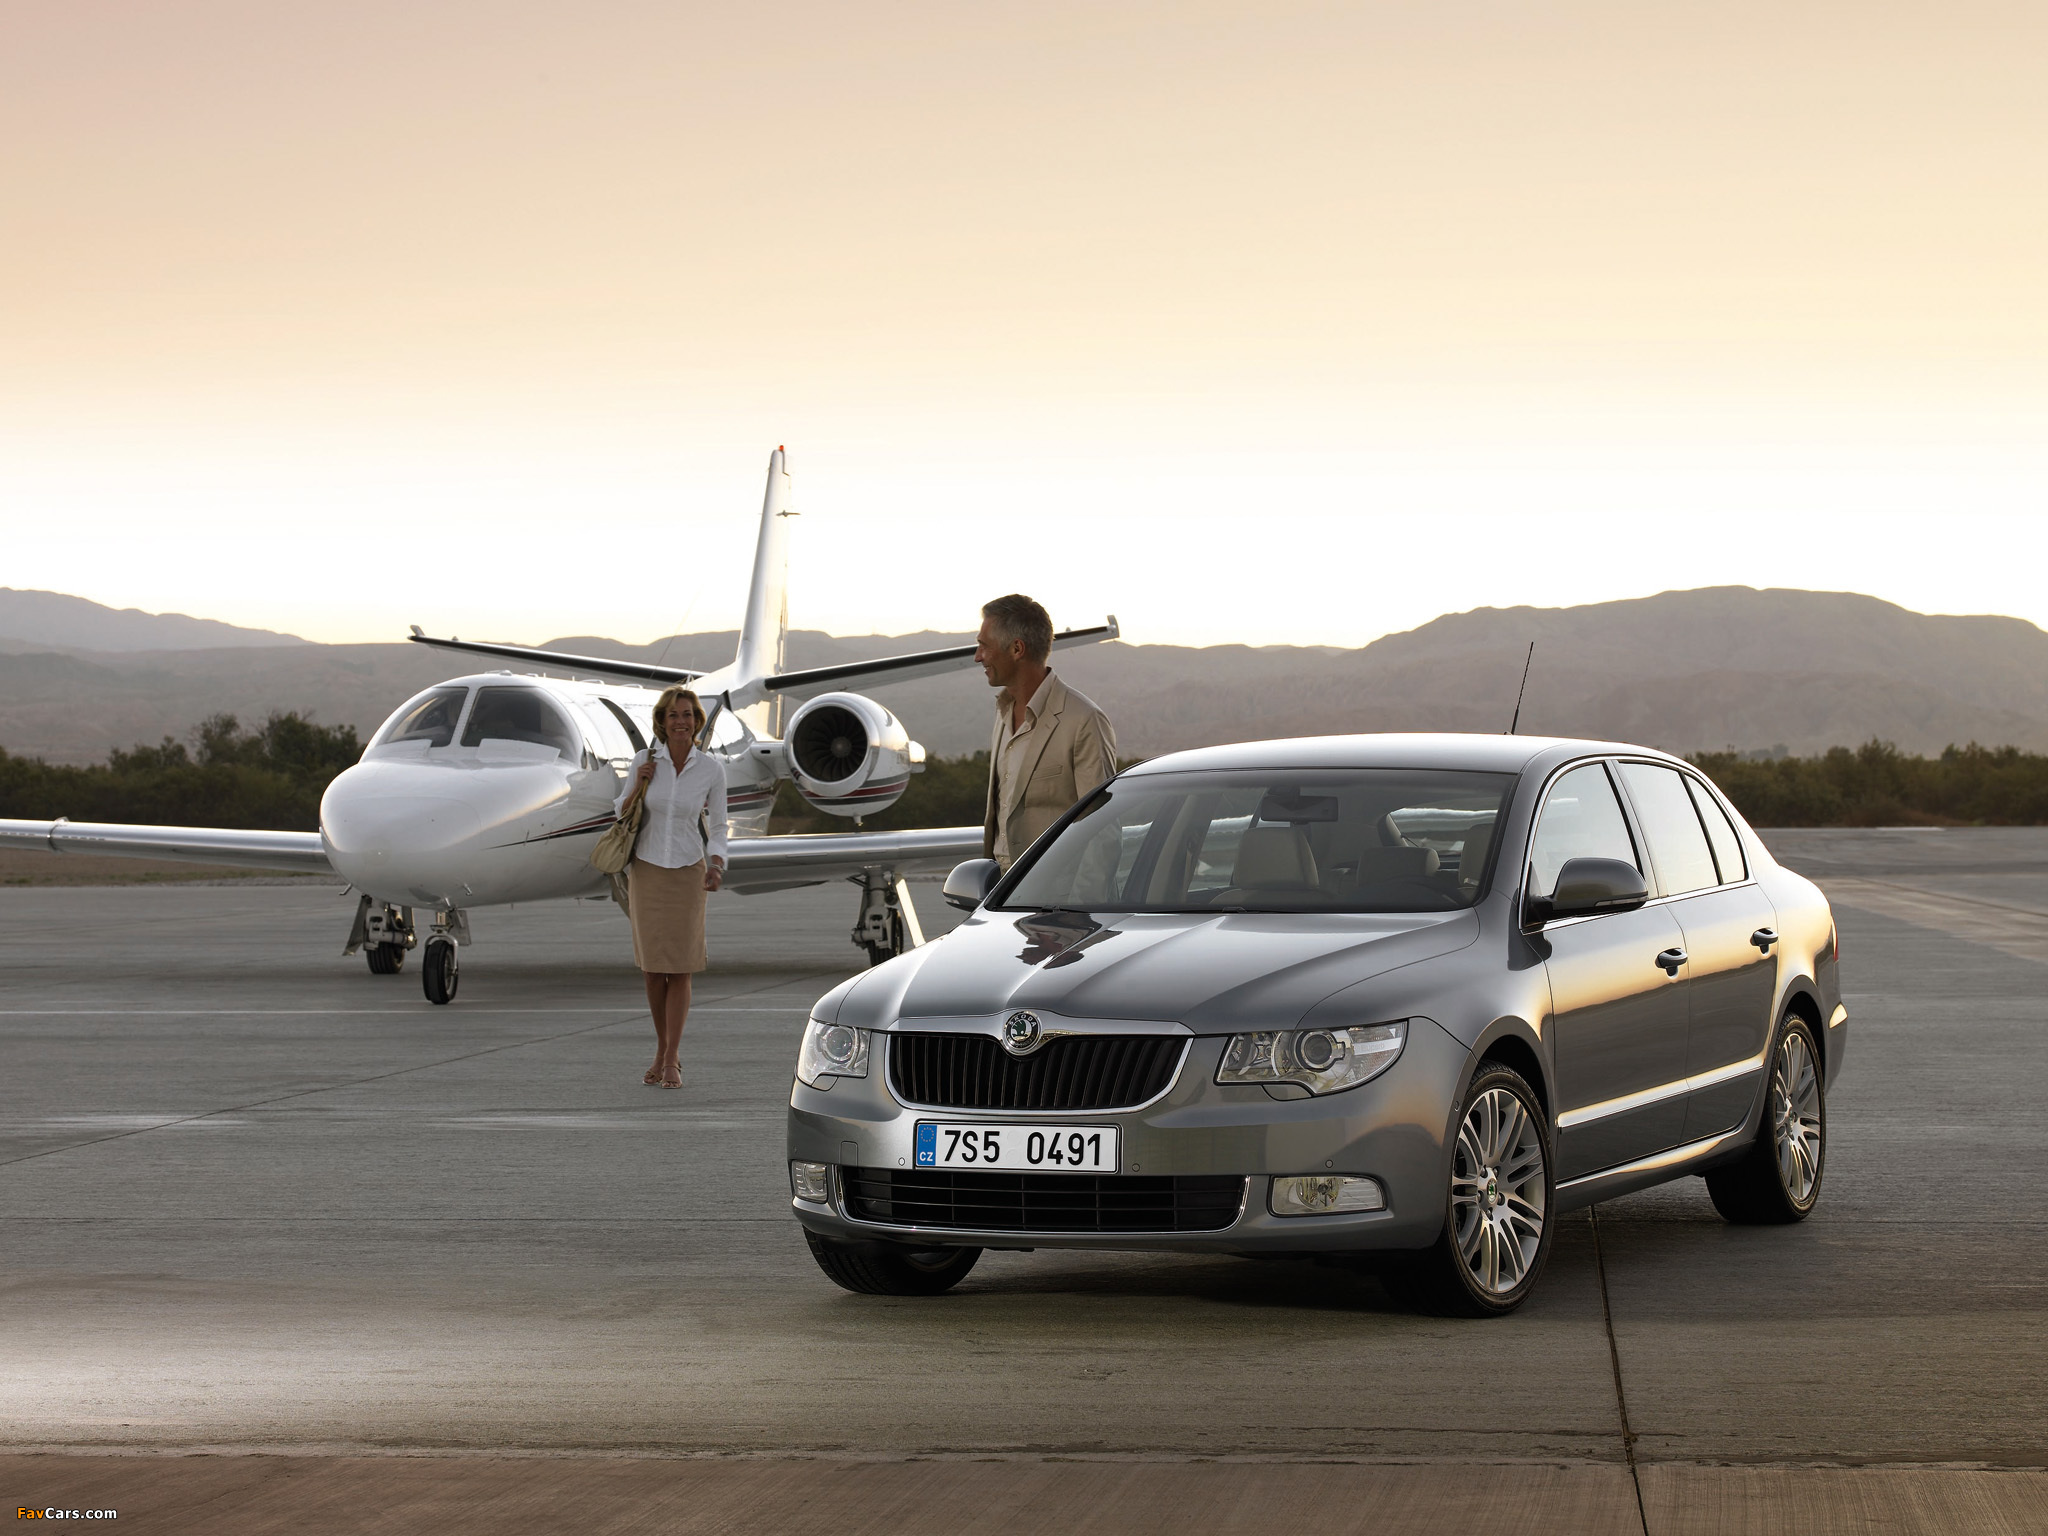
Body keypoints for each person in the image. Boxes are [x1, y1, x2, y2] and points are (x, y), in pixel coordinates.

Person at [617, 684, 727, 1089]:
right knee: (652, 970)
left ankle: (670, 1058)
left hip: (687, 871)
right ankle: (662, 1050)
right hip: (646, 870)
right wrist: (638, 783)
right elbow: (620, 812)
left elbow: (719, 825)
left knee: (680, 968)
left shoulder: (711, 769)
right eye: (673, 715)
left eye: (687, 715)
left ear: (697, 722)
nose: (681, 722)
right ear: (662, 722)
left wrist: (717, 863)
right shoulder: (645, 761)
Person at [974, 593, 1118, 870]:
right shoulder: (1003, 713)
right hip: (1003, 890)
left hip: (1057, 893)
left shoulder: (1084, 720)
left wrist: (1080, 900)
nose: (977, 657)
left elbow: (1102, 833)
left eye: (984, 646)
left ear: (1017, 649)